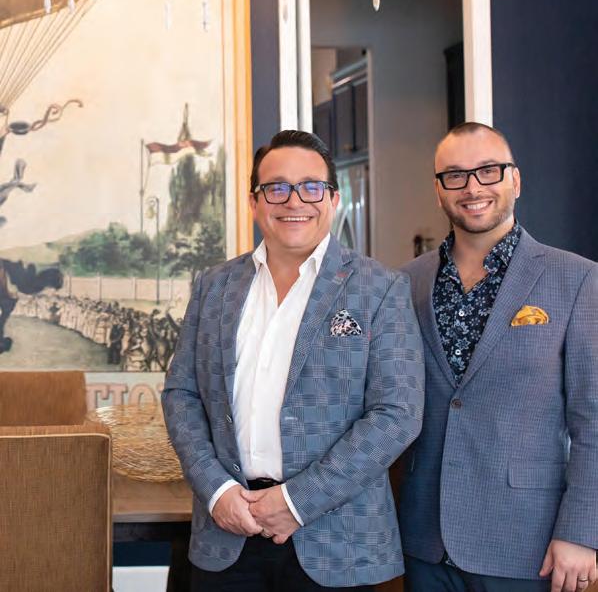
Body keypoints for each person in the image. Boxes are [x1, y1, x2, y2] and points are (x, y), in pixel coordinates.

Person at [163, 129, 424, 590]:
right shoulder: (213, 287)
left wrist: (297, 501)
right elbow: (181, 395)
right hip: (227, 532)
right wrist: (217, 491)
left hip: (337, 541)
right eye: (277, 188)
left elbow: (397, 415)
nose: (294, 201)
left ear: (333, 199)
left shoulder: (380, 288)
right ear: (255, 201)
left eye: (311, 187)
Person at [399, 122, 598, 592]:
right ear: (438, 190)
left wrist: (581, 531)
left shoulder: (577, 280)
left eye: (488, 171)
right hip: (423, 538)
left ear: (516, 180)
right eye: (455, 175)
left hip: (527, 542)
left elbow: (593, 417)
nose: (472, 188)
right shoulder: (404, 283)